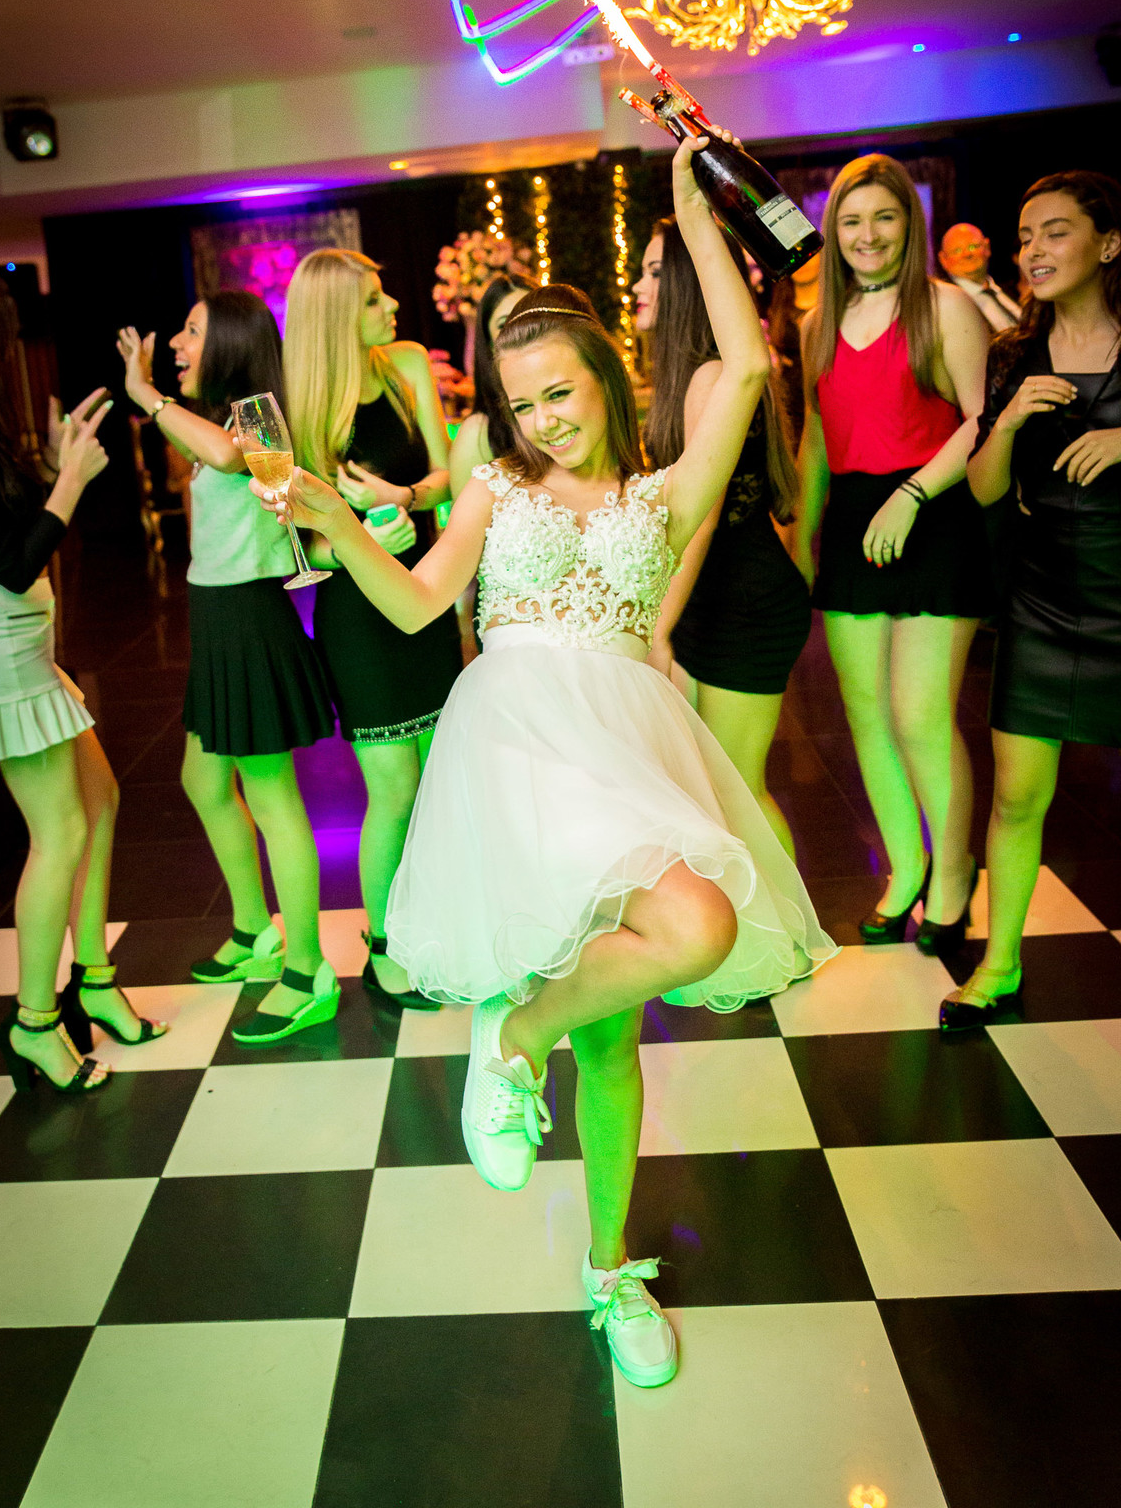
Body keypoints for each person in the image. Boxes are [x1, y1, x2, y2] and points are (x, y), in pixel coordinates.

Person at [253, 137, 836, 1390]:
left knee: (688, 938)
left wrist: (690, 219)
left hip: (625, 751)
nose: (542, 420)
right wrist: (332, 517)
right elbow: (415, 609)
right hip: (514, 761)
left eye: (560, 393)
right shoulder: (493, 494)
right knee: (621, 1020)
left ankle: (555, 1143)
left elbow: (744, 365)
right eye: (521, 404)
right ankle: (570, 1174)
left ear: (608, 380)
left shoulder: (664, 494)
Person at [0, 270, 164, 1090]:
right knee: (59, 832)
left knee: (101, 802)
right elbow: (11, 559)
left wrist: (62, 459)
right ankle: (34, 1022)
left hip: (24, 643)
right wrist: (72, 481)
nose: (8, 346)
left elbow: (14, 524)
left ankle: (93, 981)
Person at [117, 291, 340, 1044]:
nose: (177, 341)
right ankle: (254, 928)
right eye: (179, 327)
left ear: (234, 343)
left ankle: (307, 968)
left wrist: (143, 393)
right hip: (218, 618)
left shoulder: (258, 414)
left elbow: (222, 455)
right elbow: (210, 452)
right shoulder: (226, 415)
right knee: (202, 779)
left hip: (248, 620)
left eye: (192, 330)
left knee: (272, 797)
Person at [942, 171, 1121, 1029]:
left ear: (1109, 244)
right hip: (1043, 599)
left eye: (1055, 232)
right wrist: (1010, 419)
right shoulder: (1014, 353)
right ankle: (1001, 961)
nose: (1033, 251)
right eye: (1025, 238)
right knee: (1018, 795)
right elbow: (981, 490)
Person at [792, 154, 993, 950]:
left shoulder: (945, 308)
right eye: (851, 221)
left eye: (884, 217)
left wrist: (912, 495)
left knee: (921, 716)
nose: (867, 235)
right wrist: (803, 539)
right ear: (832, 232)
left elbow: (983, 417)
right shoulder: (816, 323)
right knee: (866, 715)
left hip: (931, 515)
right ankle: (903, 870)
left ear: (910, 225)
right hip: (850, 522)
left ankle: (953, 877)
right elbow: (815, 440)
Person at [283, 249, 463, 1011]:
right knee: (393, 787)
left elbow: (446, 472)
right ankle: (384, 948)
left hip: (422, 595)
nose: (392, 307)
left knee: (439, 779)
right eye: (373, 299)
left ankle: (436, 922)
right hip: (359, 615)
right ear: (335, 316)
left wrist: (408, 495)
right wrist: (353, 544)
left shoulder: (408, 364)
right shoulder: (300, 409)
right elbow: (296, 545)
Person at [643, 215, 810, 860]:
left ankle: (793, 947)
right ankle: (754, 937)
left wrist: (658, 627)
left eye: (656, 272)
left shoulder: (712, 377)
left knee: (739, 787)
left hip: (747, 604)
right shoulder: (690, 377)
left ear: (687, 284)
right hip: (716, 598)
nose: (639, 286)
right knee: (712, 787)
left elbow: (701, 514)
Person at [448, 274, 530, 499]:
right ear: (490, 343)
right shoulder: (477, 434)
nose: (521, 332)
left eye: (528, 317)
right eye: (505, 324)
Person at [766, 251, 821, 447]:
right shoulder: (779, 306)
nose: (801, 263)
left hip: (824, 400)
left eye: (808, 256)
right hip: (791, 406)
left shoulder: (835, 306)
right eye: (794, 257)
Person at [939, 222, 1022, 333]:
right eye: (957, 251)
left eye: (973, 247)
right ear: (943, 259)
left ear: (987, 247)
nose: (967, 254)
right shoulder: (946, 304)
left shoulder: (1012, 290)